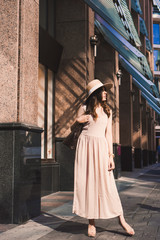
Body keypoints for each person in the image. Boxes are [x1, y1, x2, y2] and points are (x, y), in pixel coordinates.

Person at [72, 79, 135, 237]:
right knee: (88, 185)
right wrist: (76, 120)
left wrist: (111, 156)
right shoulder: (85, 108)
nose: (106, 92)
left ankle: (121, 219)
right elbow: (73, 129)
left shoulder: (108, 111)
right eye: (102, 90)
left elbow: (108, 134)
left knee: (108, 185)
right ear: (95, 94)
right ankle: (91, 223)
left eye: (105, 90)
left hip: (100, 148)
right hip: (85, 148)